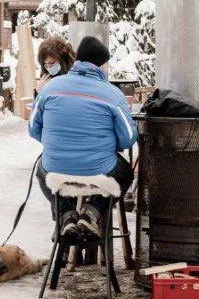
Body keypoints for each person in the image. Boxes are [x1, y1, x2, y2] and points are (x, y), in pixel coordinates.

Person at [30, 36, 137, 238]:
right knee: (125, 173)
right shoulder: (113, 94)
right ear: (101, 64)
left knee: (41, 171)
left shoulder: (48, 89)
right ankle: (91, 213)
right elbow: (128, 138)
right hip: (99, 170)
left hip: (56, 169)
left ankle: (67, 215)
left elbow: (33, 129)